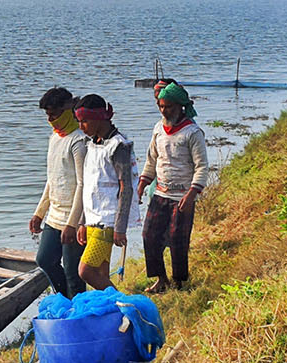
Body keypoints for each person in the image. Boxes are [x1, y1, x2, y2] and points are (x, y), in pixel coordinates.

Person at [138, 82, 210, 293]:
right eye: (161, 106)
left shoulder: (192, 132)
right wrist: (143, 182)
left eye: (168, 106)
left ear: (180, 106)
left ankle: (179, 282)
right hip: (160, 192)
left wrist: (191, 194)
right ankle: (161, 279)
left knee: (178, 240)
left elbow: (202, 167)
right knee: (149, 236)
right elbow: (152, 160)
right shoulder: (158, 128)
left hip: (183, 196)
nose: (164, 110)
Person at [75, 94, 139, 291]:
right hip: (93, 218)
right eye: (79, 121)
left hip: (108, 221)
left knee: (85, 271)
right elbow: (91, 187)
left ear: (100, 117)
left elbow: (126, 188)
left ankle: (123, 304)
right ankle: (112, 315)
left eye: (84, 121)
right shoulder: (93, 143)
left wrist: (120, 227)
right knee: (101, 274)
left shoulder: (118, 146)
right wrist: (82, 222)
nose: (81, 126)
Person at [29, 87, 87, 298]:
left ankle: (77, 315)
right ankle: (64, 302)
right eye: (48, 115)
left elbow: (83, 185)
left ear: (68, 109)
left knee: (74, 273)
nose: (51, 119)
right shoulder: (55, 138)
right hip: (54, 216)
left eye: (54, 114)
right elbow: (52, 180)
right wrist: (39, 212)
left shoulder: (79, 141)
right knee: (44, 260)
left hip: (75, 218)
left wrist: (73, 223)